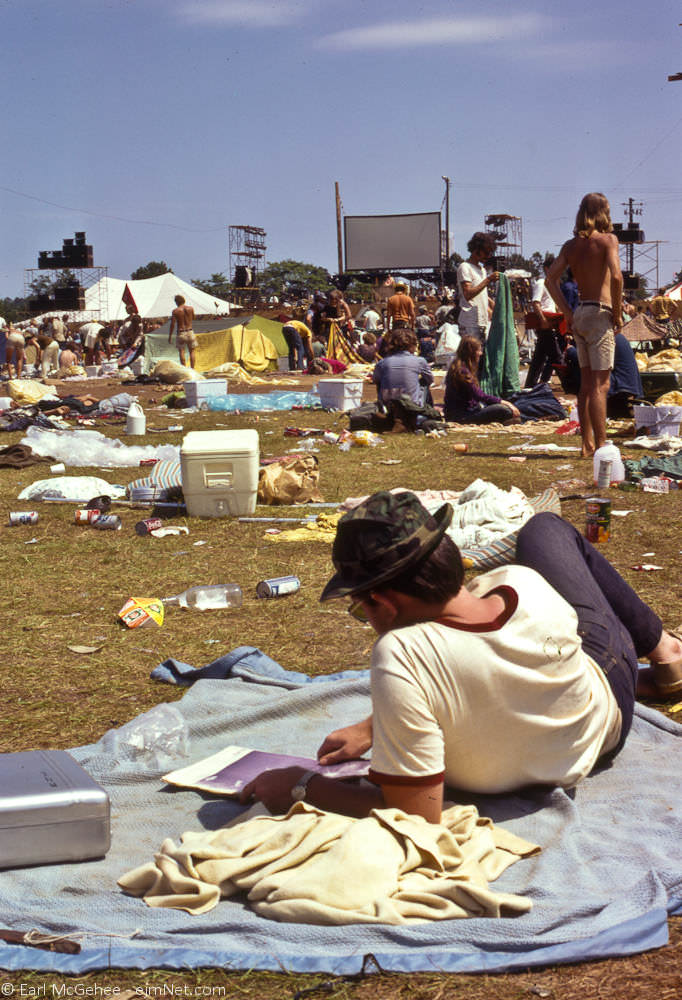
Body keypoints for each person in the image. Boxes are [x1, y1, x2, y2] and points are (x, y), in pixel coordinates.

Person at [241, 492, 682, 822]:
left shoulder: (402, 656)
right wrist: (379, 725)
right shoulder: (521, 583)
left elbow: (415, 815)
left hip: (604, 700)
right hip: (601, 714)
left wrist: (301, 786)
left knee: (548, 538)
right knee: (544, 528)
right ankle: (665, 652)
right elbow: (476, 673)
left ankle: (667, 653)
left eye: (361, 609)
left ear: (384, 602)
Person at [546, 192, 623, 458]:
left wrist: (567, 312)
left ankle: (586, 444)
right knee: (601, 385)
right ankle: (602, 447)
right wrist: (618, 311)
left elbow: (549, 280)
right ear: (604, 212)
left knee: (586, 384)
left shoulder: (570, 246)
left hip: (580, 312)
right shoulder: (608, 240)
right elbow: (616, 276)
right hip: (600, 312)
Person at [443, 336, 520, 424]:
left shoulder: (459, 366)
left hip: (458, 413)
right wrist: (506, 403)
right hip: (461, 416)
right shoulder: (462, 371)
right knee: (505, 410)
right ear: (471, 352)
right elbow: (480, 396)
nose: (481, 353)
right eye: (479, 350)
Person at [525, 256, 566, 388]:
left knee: (539, 357)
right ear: (547, 268)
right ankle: (569, 384)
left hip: (552, 323)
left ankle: (530, 385)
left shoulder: (553, 284)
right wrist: (543, 321)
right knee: (557, 357)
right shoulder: (541, 283)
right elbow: (536, 303)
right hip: (545, 323)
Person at [372, 327, 433, 407]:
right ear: (413, 345)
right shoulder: (420, 361)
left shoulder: (382, 363)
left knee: (381, 382)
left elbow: (376, 380)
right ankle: (426, 410)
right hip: (412, 406)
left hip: (389, 405)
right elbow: (430, 379)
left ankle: (382, 405)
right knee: (424, 382)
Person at [456, 232, 499, 345]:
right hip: (470, 323)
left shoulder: (482, 270)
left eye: (490, 253)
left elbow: (481, 293)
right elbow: (468, 294)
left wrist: (491, 304)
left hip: (482, 321)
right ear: (476, 249)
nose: (488, 256)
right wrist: (488, 280)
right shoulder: (464, 267)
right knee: (471, 359)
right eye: (486, 252)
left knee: (481, 358)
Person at [169, 295, 196, 368]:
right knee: (192, 351)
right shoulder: (191, 308)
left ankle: (184, 369)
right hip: (190, 331)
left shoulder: (175, 311)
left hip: (181, 332)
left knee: (181, 351)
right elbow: (193, 317)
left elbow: (172, 324)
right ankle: (192, 369)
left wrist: (170, 336)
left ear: (176, 302)